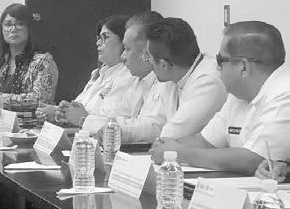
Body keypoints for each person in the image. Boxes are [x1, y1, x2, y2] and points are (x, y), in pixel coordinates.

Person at [151, 21, 290, 175]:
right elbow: (205, 141)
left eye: (220, 60)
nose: (217, 68)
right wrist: (166, 145)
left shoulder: (284, 94)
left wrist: (177, 153)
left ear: (243, 67)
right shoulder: (238, 95)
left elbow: (252, 159)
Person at [90, 11, 178, 143]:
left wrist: (116, 129)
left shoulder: (167, 81)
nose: (122, 57)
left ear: (147, 51)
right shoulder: (139, 81)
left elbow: (156, 128)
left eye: (127, 49)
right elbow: (117, 116)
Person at [144, 17, 227, 141]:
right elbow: (156, 124)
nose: (148, 64)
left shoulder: (208, 81)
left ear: (164, 65)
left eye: (149, 59)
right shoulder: (172, 78)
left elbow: (172, 136)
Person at [47, 15, 135, 127]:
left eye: (105, 37)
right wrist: (61, 111)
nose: (98, 43)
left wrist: (82, 118)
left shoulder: (129, 75)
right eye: (99, 38)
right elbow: (78, 106)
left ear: (124, 40)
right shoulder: (100, 73)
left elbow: (111, 119)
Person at [0, 3, 58, 122]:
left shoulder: (43, 62)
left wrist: (1, 99)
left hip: (33, 127)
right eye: (8, 24)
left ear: (29, 28)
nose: (13, 29)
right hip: (0, 124)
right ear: (2, 29)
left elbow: (40, 100)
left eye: (19, 24)